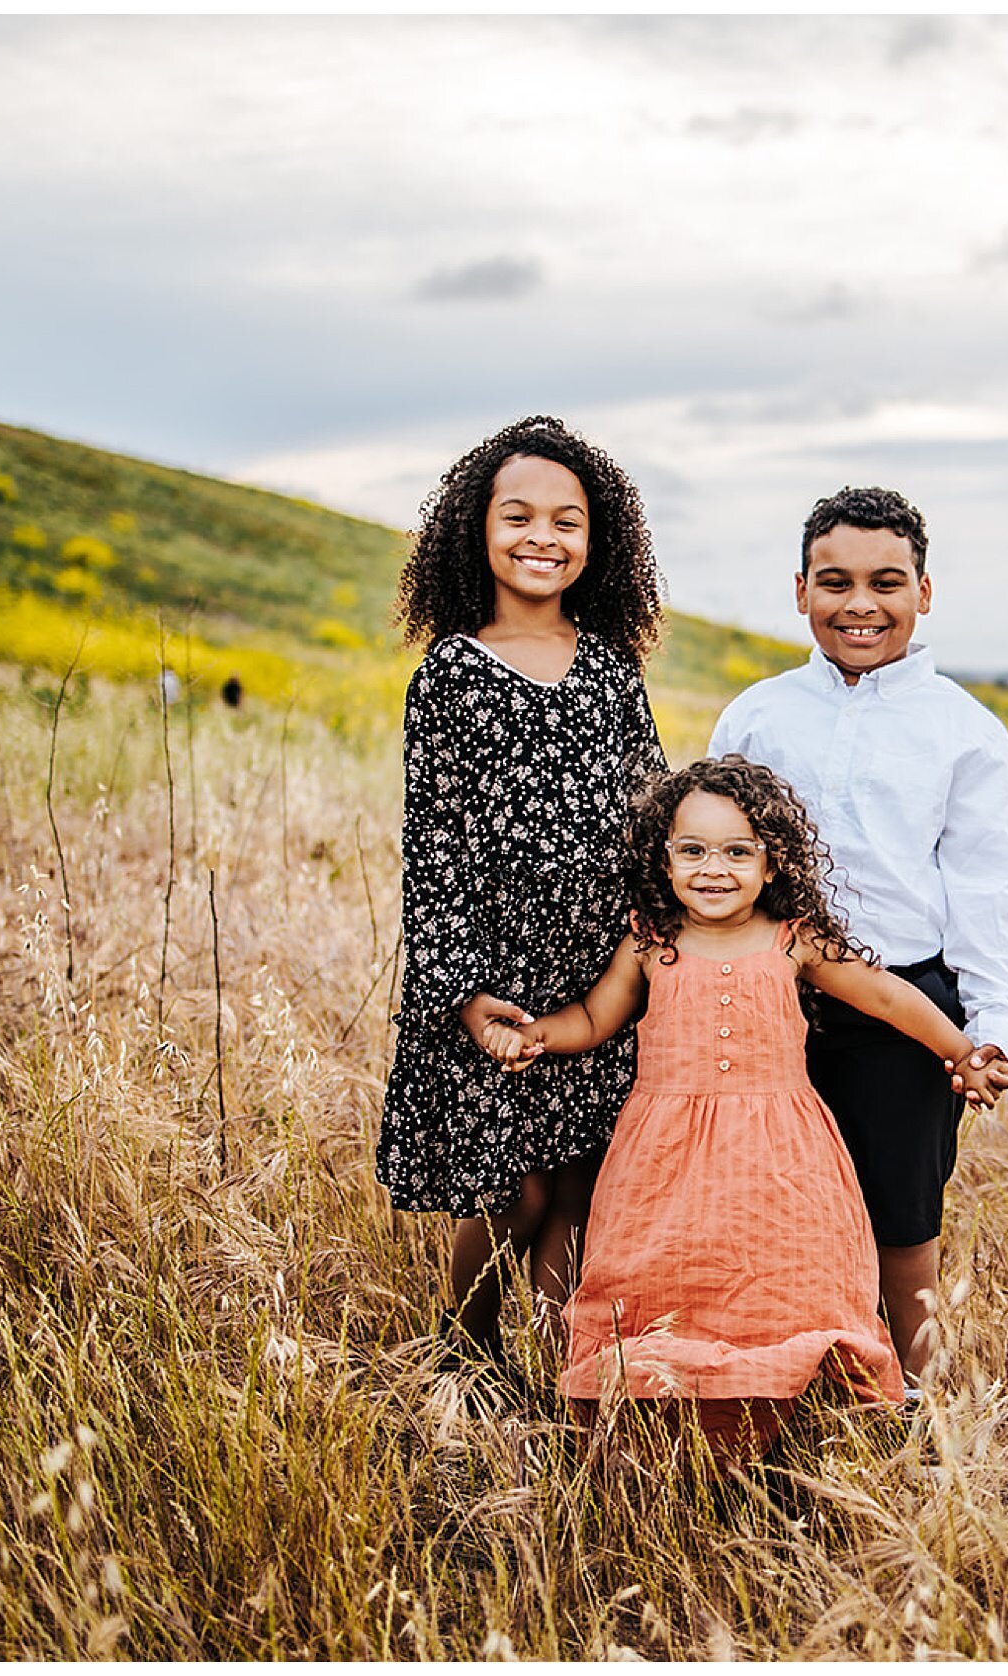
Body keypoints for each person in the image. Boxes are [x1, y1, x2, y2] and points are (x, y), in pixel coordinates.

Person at [484, 757, 1003, 1460]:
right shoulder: (649, 941)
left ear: (771, 863)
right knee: (662, 1274)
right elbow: (594, 1017)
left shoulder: (793, 938)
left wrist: (961, 1053)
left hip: (783, 1154)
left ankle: (784, 1420)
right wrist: (538, 1036)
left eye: (737, 851)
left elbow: (886, 996)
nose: (713, 869)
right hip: (663, 1155)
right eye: (691, 850)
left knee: (785, 1275)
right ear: (661, 860)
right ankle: (666, 1418)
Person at [706, 485, 1008, 1388]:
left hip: (905, 1008)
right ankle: (777, 1388)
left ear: (924, 592)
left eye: (887, 582)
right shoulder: (757, 716)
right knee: (765, 1211)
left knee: (902, 1227)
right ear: (801, 590)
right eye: (835, 582)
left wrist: (995, 1031)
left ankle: (921, 1417)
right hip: (770, 1001)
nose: (861, 604)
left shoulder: (964, 733)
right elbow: (709, 857)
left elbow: (991, 894)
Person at [376, 414, 668, 1370]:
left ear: (600, 541)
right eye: (520, 517)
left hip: (600, 979)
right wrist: (463, 994)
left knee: (581, 1185)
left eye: (568, 522)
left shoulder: (611, 672)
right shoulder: (452, 674)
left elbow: (653, 816)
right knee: (516, 1189)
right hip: (496, 982)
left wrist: (648, 948)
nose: (543, 538)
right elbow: (436, 849)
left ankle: (554, 1379)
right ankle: (458, 1356)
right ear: (477, 529)